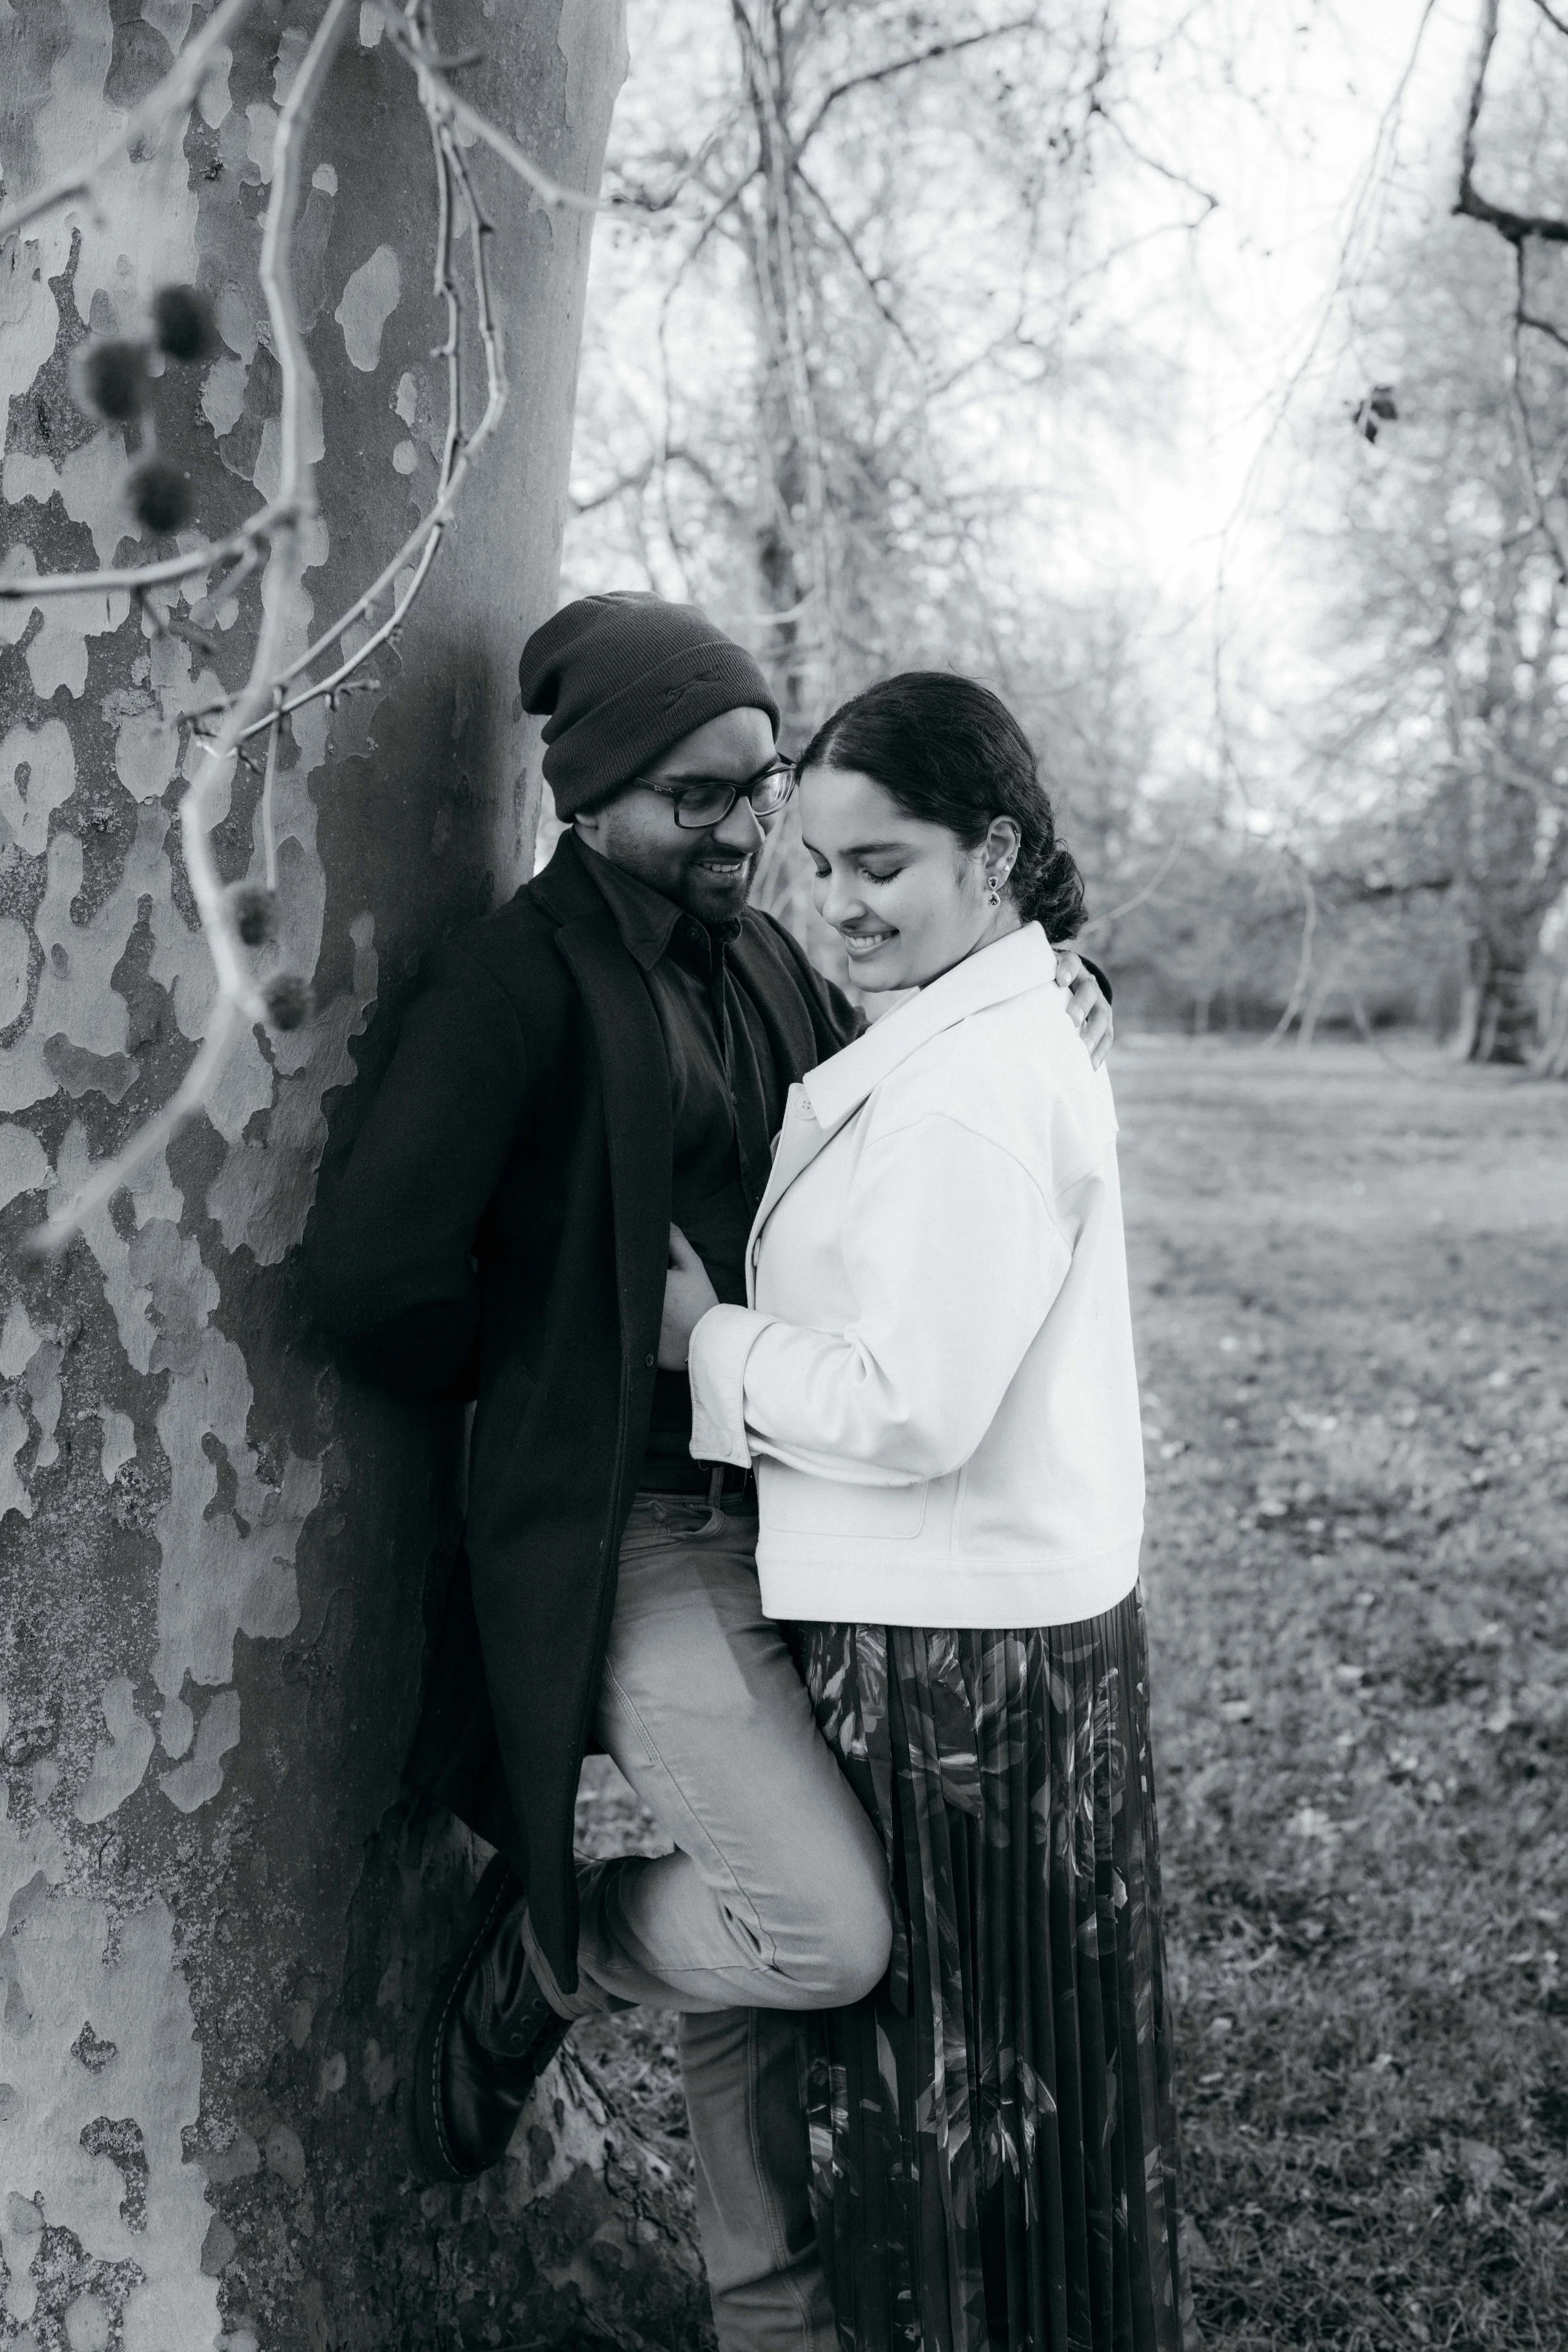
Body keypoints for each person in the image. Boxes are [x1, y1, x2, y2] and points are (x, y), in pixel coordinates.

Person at [309, 595, 1114, 2352]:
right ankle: (549, 1949)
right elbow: (368, 1280)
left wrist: (1055, 968)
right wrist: (556, 1377)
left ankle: (771, 2318)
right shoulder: (512, 986)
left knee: (761, 1956)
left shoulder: (758, 950)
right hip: (638, 1526)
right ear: (587, 797)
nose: (745, 830)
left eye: (757, 783)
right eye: (697, 797)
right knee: (812, 1929)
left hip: (806, 1503)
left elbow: (920, 1045)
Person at [675, 672, 1189, 2352]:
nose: (835, 903)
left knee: (954, 2093)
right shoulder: (985, 1021)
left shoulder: (974, 1081)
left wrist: (710, 1341)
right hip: (995, 1631)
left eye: (878, 863)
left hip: (950, 1656)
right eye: (812, 864)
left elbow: (911, 1403)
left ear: (993, 851)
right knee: (1020, 2087)